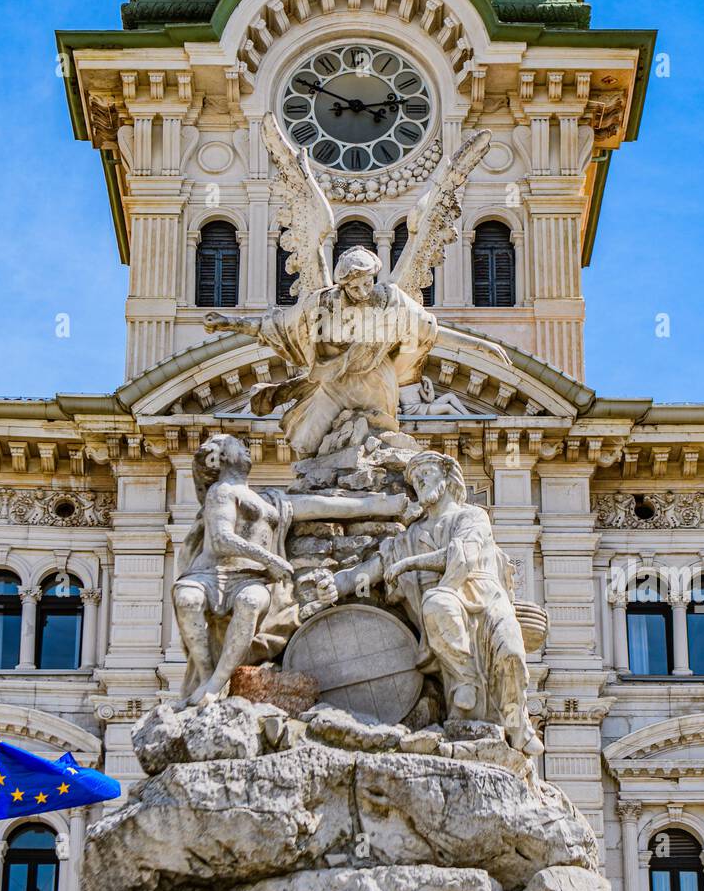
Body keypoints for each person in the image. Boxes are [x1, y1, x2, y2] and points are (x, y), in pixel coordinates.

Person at [332, 450, 543, 753]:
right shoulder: (409, 536)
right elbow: (370, 571)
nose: (420, 481)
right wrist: (334, 587)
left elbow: (462, 556)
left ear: (447, 477)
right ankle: (465, 683)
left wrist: (408, 565)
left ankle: (517, 724)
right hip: (445, 610)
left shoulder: (471, 516)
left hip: (486, 600)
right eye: (415, 479)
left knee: (511, 652)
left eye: (426, 473)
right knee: (437, 601)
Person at [172, 432, 406, 707]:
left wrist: (382, 505)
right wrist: (269, 559)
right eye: (238, 445)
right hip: (210, 575)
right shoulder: (221, 492)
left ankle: (215, 683)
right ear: (221, 457)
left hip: (248, 580)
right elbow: (222, 539)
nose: (247, 448)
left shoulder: (273, 501)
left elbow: (322, 506)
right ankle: (205, 676)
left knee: (251, 601)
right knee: (187, 598)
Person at [204, 247, 437, 457]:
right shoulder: (322, 304)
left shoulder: (391, 299)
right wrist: (230, 323)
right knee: (306, 443)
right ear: (343, 286)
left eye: (368, 283)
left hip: (375, 383)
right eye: (355, 287)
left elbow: (426, 329)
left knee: (372, 446)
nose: (363, 292)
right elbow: (278, 326)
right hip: (336, 382)